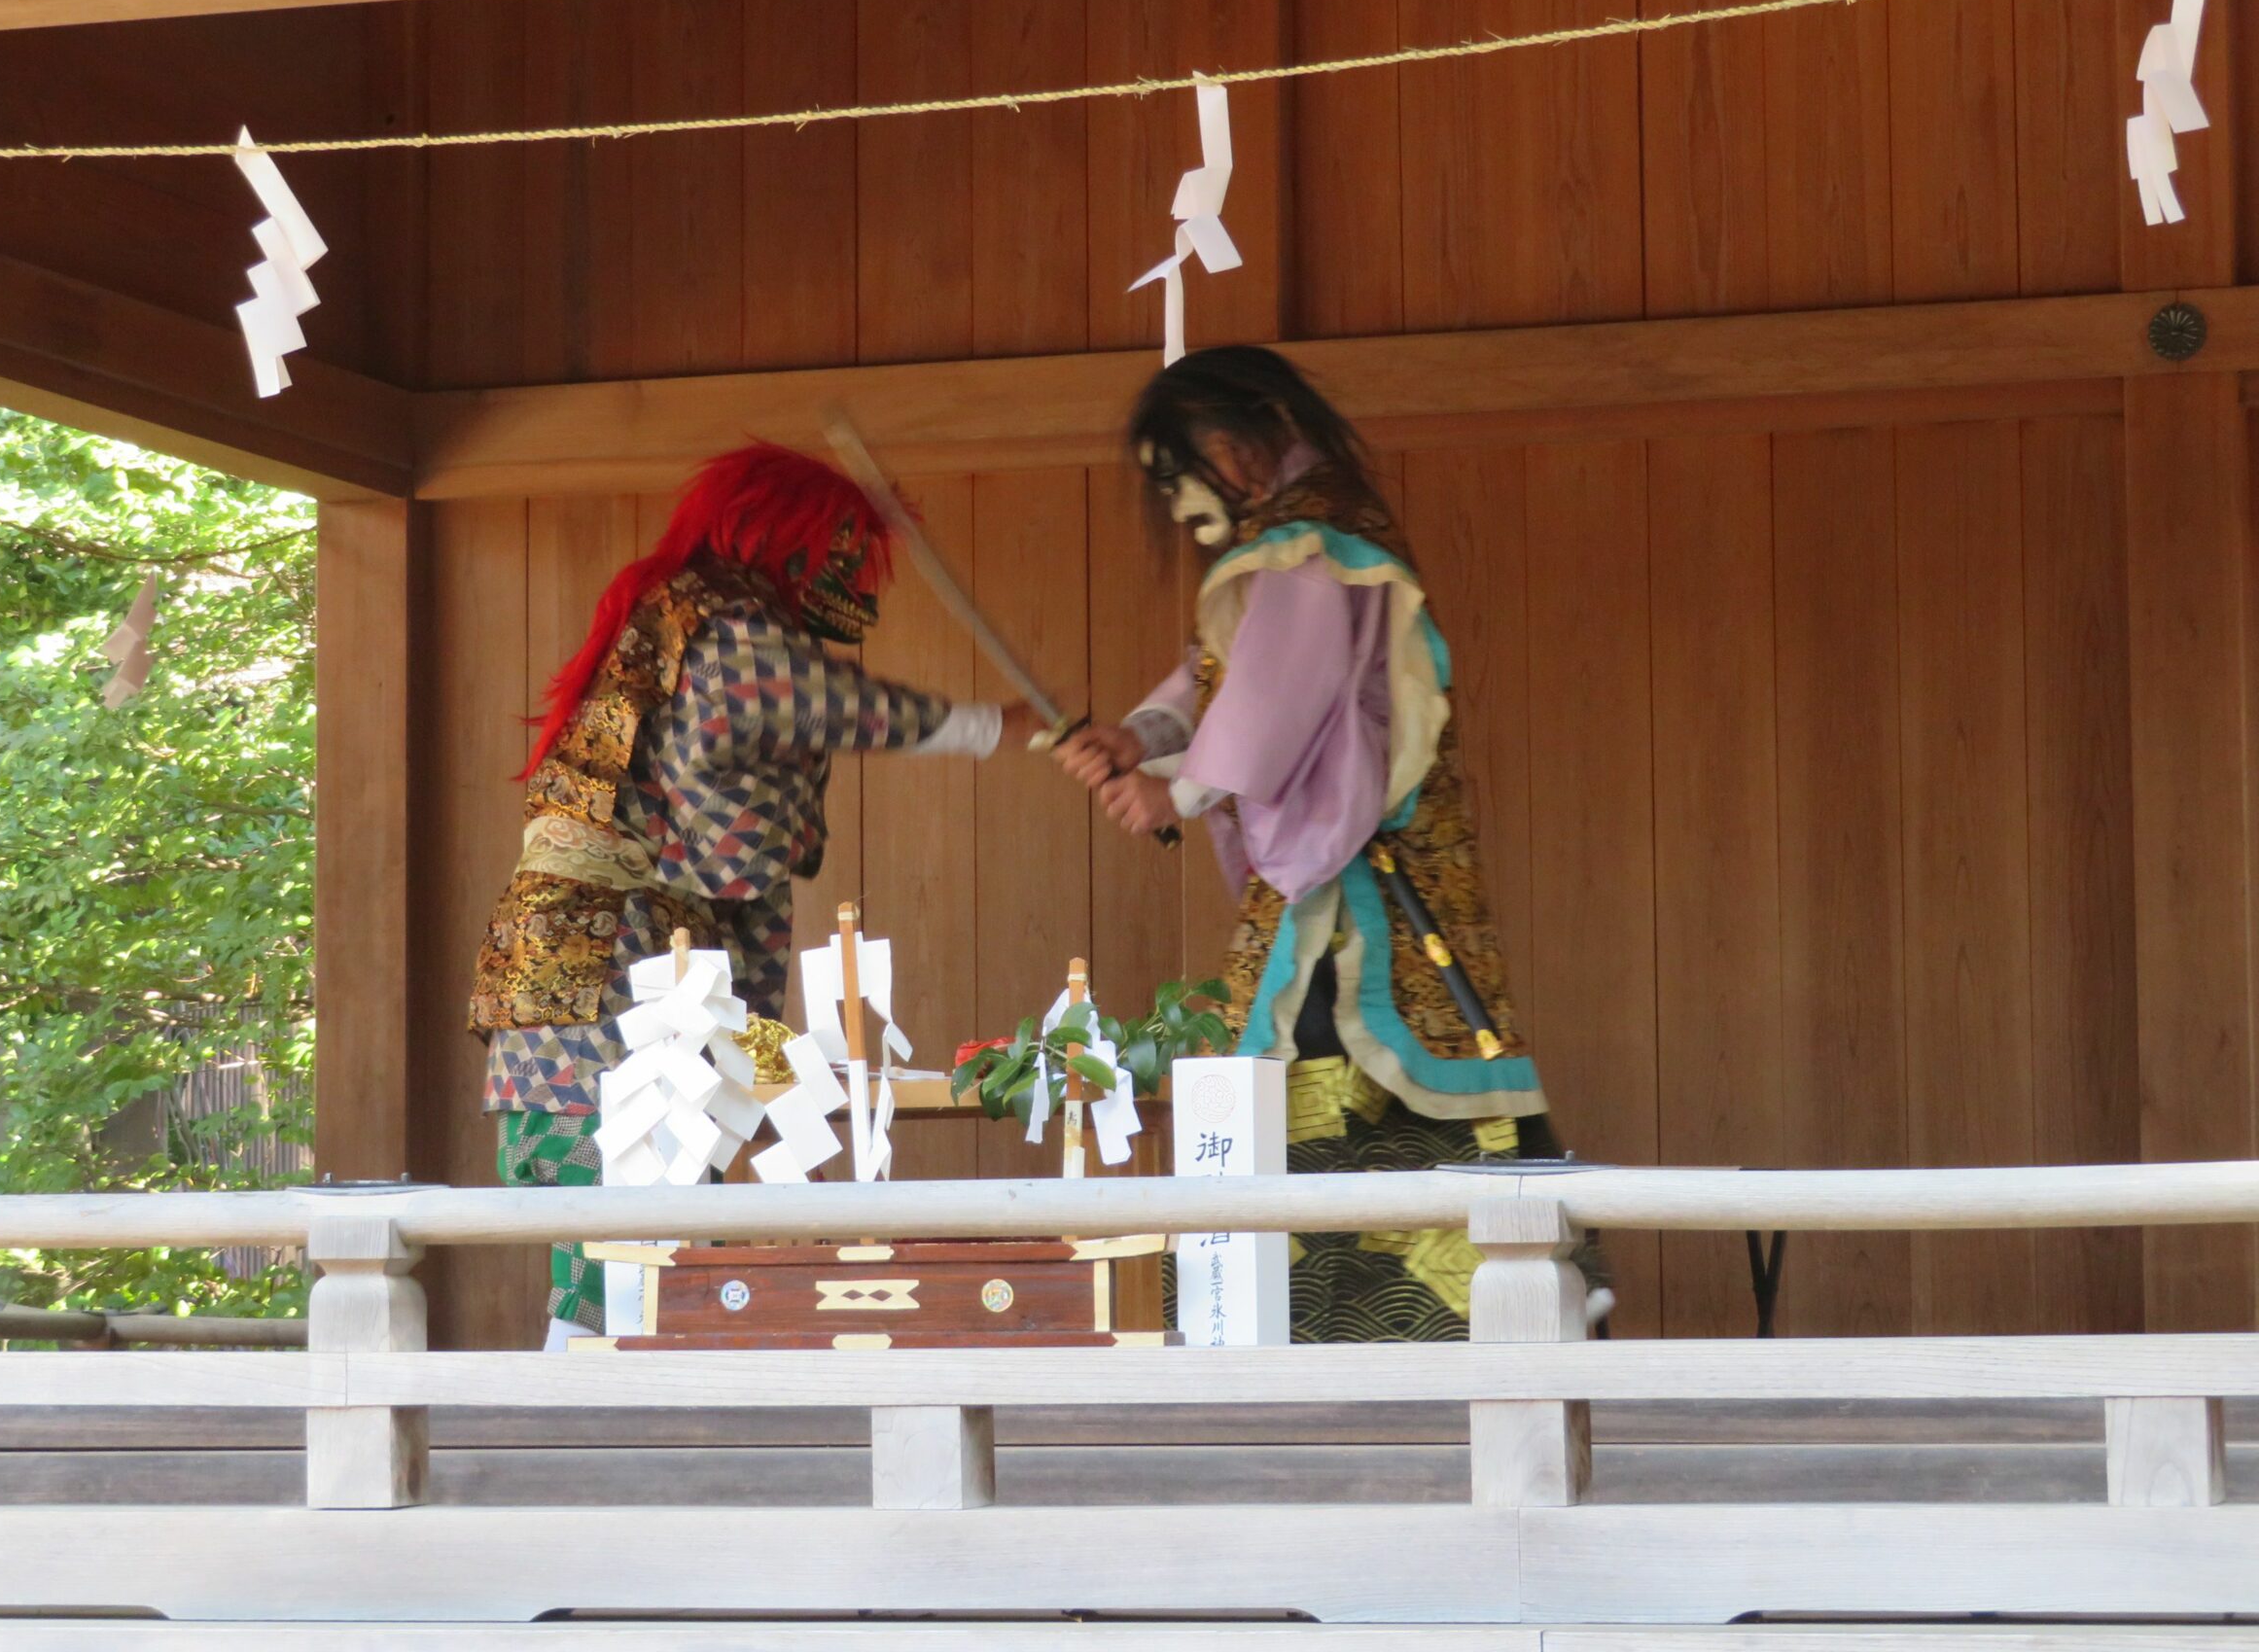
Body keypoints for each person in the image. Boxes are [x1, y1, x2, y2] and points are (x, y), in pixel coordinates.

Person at [1053, 346, 1609, 1342]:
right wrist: (1137, 736)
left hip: (1356, 882)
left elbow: (1272, 701)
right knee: (1365, 1058)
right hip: (1341, 871)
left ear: (1242, 434)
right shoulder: (1298, 540)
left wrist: (1170, 791)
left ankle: (1411, 1311)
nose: (1178, 503)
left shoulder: (1312, 545)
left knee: (1324, 1057)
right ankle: (1466, 1302)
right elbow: (1219, 674)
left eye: (1181, 471)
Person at [470, 442, 1032, 1348]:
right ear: (783, 536)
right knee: (634, 1254)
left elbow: (744, 917)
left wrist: (770, 1075)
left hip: (587, 980)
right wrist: (989, 726)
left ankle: (609, 1447)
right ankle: (588, 1455)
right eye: (838, 544)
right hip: (602, 986)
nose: (850, 572)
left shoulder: (680, 629)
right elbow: (801, 700)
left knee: (650, 1249)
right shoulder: (714, 625)